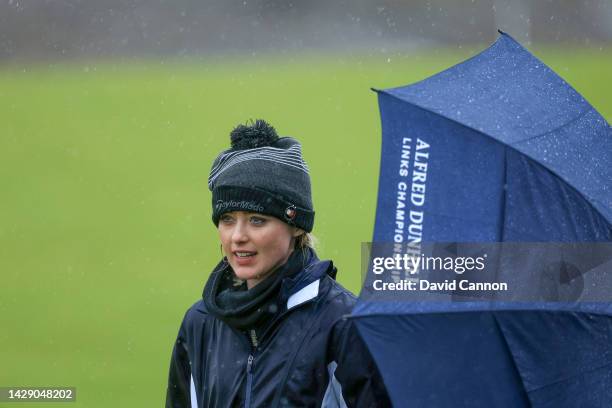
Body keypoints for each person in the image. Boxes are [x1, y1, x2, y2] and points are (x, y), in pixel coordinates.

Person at [165, 120, 390, 407]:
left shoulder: (343, 325)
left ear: (297, 226)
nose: (237, 236)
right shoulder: (200, 323)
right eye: (227, 219)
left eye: (257, 220)